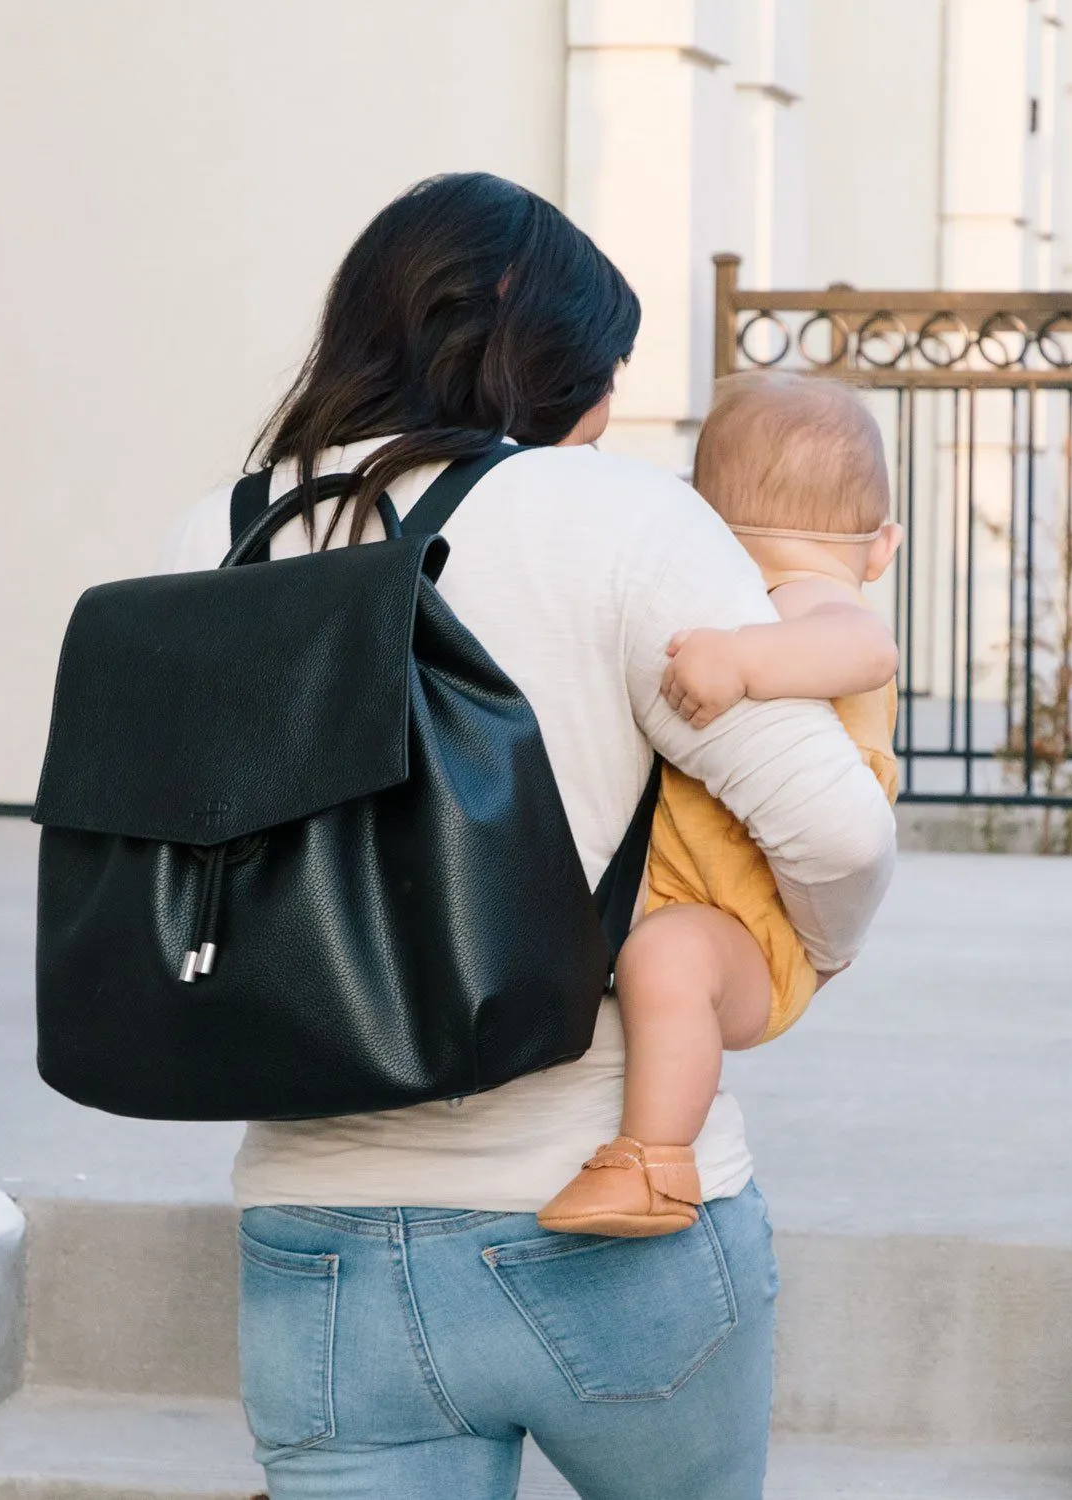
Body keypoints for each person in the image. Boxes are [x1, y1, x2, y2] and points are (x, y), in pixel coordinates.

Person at [162, 174, 896, 1500]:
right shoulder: (616, 518)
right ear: (556, 370)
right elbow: (837, 829)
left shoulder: (220, 535)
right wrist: (797, 965)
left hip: (317, 1243)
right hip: (608, 1226)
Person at [537, 372, 902, 1239]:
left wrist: (742, 659)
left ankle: (655, 1165)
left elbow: (866, 644)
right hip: (706, 890)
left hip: (761, 928)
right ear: (884, 544)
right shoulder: (754, 600)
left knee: (668, 960)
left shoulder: (808, 599)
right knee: (651, 952)